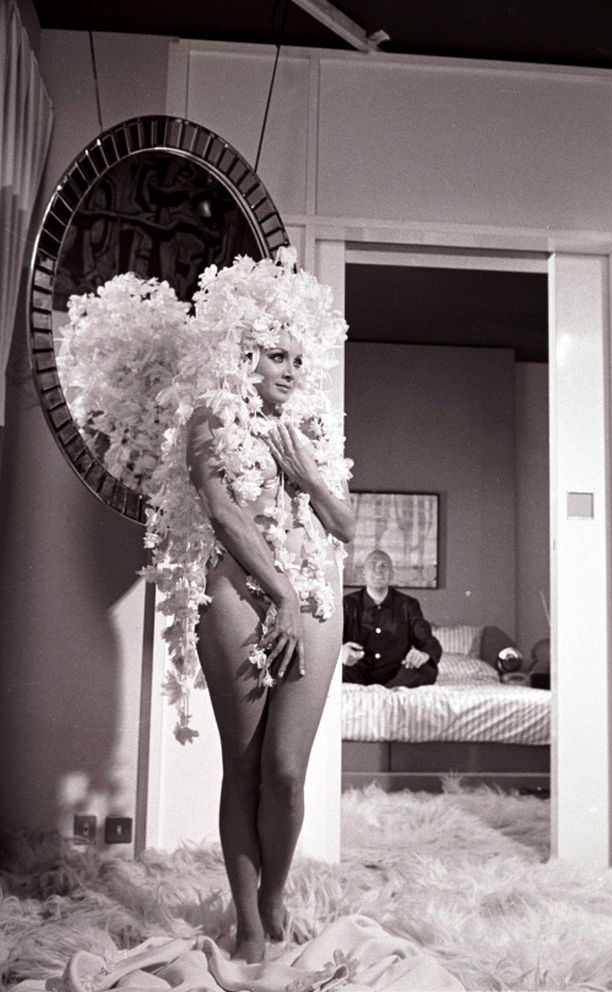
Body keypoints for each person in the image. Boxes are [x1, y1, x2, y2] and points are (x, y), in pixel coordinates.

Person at [152, 250, 354, 963]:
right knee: (243, 767)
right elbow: (222, 511)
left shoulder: (311, 426)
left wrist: (307, 475)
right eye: (277, 356)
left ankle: (275, 895)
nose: (291, 371)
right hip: (239, 590)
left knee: (287, 770)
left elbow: (345, 525)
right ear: (245, 356)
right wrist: (281, 596)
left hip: (314, 590)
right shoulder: (208, 417)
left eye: (298, 359)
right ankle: (247, 921)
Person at [342, 550, 441, 687]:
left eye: (384, 566)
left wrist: (423, 655)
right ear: (363, 574)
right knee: (336, 669)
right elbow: (331, 641)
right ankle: (385, 692)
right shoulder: (347, 604)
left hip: (398, 674)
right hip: (356, 672)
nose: (378, 570)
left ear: (392, 575)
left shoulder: (408, 605)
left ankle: (388, 691)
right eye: (373, 565)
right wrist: (341, 652)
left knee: (427, 669)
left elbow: (427, 640)